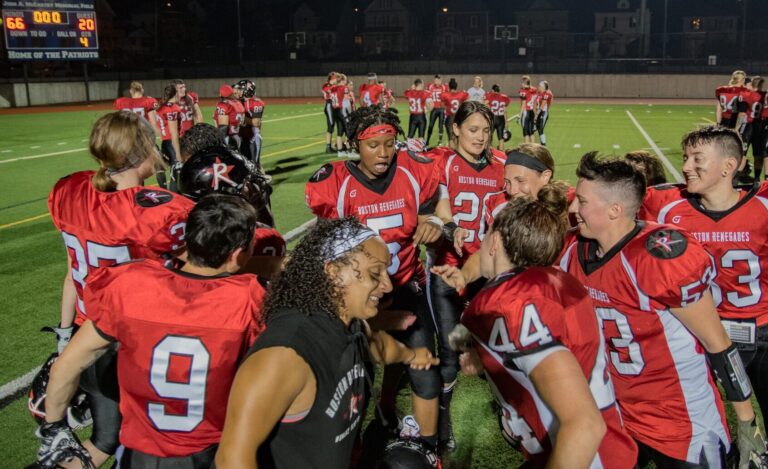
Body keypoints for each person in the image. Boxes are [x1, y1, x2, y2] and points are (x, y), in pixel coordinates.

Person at [560, 151, 766, 468]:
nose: (574, 209)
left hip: (681, 421)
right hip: (616, 413)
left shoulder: (657, 256)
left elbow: (718, 343)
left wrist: (746, 421)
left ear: (615, 209)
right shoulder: (573, 249)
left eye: (583, 202)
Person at [37, 194, 265, 469]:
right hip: (213, 454)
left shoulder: (132, 286)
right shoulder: (249, 298)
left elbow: (66, 366)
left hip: (139, 456)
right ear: (237, 254)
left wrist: (53, 426)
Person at [215, 217, 439, 469]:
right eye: (375, 273)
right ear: (333, 271)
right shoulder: (284, 354)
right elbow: (231, 459)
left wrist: (411, 355)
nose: (387, 286)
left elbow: (378, 345)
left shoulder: (346, 323)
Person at [433, 196, 638, 468]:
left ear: (495, 241)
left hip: (584, 456)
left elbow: (584, 425)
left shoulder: (514, 303)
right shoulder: (551, 281)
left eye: (486, 234)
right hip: (589, 449)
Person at [44, 111, 193, 468]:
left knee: (104, 441)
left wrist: (65, 336)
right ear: (145, 150)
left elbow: (71, 272)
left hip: (85, 339)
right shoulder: (155, 211)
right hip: (133, 350)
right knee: (159, 446)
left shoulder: (70, 190)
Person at [305, 104, 444, 449]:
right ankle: (358, 440)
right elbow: (326, 248)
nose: (383, 153)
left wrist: (438, 221)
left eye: (389, 143)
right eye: (372, 145)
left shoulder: (412, 170)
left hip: (407, 285)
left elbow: (440, 197)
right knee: (355, 383)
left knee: (425, 376)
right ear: (355, 143)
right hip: (357, 298)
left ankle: (427, 450)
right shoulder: (335, 183)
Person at [640, 126, 768, 440]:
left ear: (728, 166)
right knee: (690, 422)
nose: (685, 166)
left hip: (762, 331)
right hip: (696, 333)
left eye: (697, 159)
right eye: (685, 158)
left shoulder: (762, 206)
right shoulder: (666, 204)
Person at [427, 101, 505, 452]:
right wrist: (451, 226)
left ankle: (512, 414)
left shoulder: (501, 165)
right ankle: (442, 424)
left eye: (486, 130)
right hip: (447, 268)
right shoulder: (440, 160)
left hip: (488, 272)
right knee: (448, 352)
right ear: (455, 129)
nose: (481, 137)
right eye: (473, 129)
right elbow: (438, 200)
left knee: (499, 347)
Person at [237, 79, 268, 175]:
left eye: (241, 89)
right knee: (244, 163)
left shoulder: (256, 102)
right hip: (244, 137)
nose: (238, 91)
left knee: (255, 164)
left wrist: (242, 118)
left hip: (253, 138)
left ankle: (263, 183)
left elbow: (256, 122)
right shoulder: (240, 102)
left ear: (247, 90)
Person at [155, 84, 183, 189]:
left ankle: (163, 190)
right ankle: (172, 196)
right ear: (175, 94)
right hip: (172, 143)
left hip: (163, 141)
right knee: (176, 170)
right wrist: (178, 154)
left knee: (161, 168)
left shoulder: (161, 107)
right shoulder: (173, 108)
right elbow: (174, 133)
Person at [214, 84, 245, 151]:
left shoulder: (224, 104)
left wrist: (220, 142)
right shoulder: (239, 103)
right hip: (237, 137)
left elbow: (223, 127)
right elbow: (242, 123)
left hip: (228, 139)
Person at [440, 79, 469, 143]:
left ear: (449, 87)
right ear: (456, 86)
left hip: (450, 118)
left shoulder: (445, 94)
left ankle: (452, 152)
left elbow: (441, 105)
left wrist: (447, 106)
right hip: (459, 117)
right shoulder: (461, 94)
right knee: (457, 137)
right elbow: (467, 100)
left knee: (450, 138)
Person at [485, 84, 511, 151]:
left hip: (493, 117)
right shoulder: (505, 97)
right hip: (501, 118)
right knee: (501, 137)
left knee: (490, 135)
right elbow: (505, 111)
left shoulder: (490, 96)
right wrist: (507, 122)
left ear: (493, 90)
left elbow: (485, 103)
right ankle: (501, 152)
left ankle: (489, 151)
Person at [330, 74, 350, 156]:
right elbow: (346, 97)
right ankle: (350, 151)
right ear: (342, 80)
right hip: (342, 111)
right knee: (348, 131)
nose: (346, 82)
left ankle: (340, 151)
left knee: (339, 132)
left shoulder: (333, 88)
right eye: (345, 80)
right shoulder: (343, 88)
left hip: (335, 111)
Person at [426, 75, 448, 146]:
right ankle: (427, 140)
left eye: (438, 80)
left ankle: (440, 141)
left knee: (441, 126)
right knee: (431, 125)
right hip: (434, 109)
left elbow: (447, 97)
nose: (436, 82)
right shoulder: (430, 86)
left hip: (441, 109)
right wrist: (428, 106)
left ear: (440, 80)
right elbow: (427, 96)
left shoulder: (444, 87)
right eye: (435, 80)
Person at [518, 76, 538, 143]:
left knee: (525, 132)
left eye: (522, 82)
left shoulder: (523, 91)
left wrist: (519, 115)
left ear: (524, 83)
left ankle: (526, 150)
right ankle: (534, 149)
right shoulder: (534, 89)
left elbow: (523, 104)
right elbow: (535, 103)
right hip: (531, 112)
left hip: (525, 113)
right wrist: (535, 114)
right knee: (531, 132)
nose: (521, 84)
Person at [324, 72, 339, 153]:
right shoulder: (326, 85)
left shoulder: (335, 86)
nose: (336, 80)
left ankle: (331, 146)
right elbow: (328, 91)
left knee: (334, 126)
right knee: (331, 125)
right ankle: (328, 147)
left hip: (335, 105)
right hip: (330, 105)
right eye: (335, 78)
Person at [535, 80, 553, 146]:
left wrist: (536, 115)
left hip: (543, 113)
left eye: (540, 86)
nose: (538, 87)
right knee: (538, 128)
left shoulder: (547, 93)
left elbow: (543, 105)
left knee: (540, 128)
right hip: (539, 112)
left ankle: (543, 144)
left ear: (543, 87)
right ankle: (542, 143)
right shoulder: (539, 93)